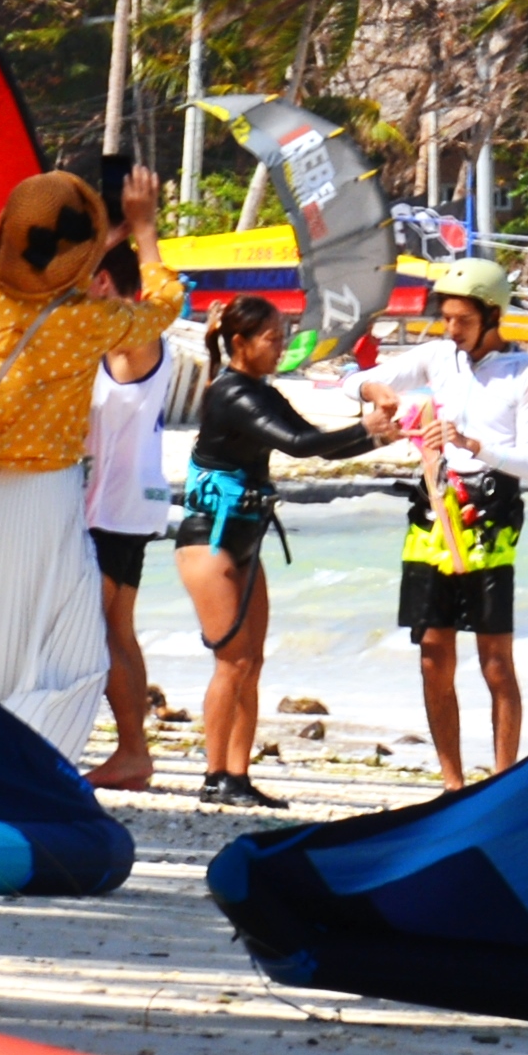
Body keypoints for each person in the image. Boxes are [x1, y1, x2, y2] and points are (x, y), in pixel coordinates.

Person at [0, 174, 175, 759]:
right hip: (41, 487)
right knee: (59, 636)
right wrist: (144, 230)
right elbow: (164, 306)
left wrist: (104, 238)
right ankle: (23, 755)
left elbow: (53, 272)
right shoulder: (93, 320)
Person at [169, 293, 369, 807]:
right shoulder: (231, 394)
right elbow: (297, 447)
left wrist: (380, 437)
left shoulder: (260, 389)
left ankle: (238, 775)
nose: (281, 347)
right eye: (272, 338)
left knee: (252, 662)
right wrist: (370, 429)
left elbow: (313, 437)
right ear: (240, 343)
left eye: (283, 337)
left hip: (248, 536)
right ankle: (215, 775)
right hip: (207, 538)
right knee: (231, 662)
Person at [361, 267, 528, 786]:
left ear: (493, 316)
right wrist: (377, 390)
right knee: (431, 653)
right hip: (432, 510)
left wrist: (472, 444)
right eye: (445, 318)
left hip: (490, 519)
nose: (451, 330)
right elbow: (350, 381)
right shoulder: (435, 358)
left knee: (495, 659)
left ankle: (502, 778)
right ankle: (451, 781)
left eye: (463, 320)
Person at [77, 226, 187, 793]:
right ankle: (131, 752)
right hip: (125, 504)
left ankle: (130, 750)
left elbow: (163, 299)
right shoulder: (115, 340)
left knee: (96, 630)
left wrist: (143, 233)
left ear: (101, 282)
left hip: (114, 508)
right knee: (116, 629)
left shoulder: (132, 338)